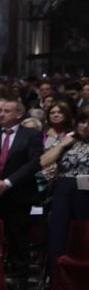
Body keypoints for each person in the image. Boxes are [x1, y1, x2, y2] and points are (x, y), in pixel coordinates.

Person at [0, 98, 44, 290]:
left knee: (18, 238)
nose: (0, 114)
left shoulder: (31, 135)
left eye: (6, 111)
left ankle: (19, 279)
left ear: (19, 114)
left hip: (17, 195)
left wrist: (8, 183)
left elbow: (32, 163)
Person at [42, 107, 89, 279]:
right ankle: (58, 279)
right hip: (63, 190)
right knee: (59, 234)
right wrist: (61, 144)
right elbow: (44, 161)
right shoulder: (68, 140)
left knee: (84, 235)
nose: (85, 126)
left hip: (86, 192)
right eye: (82, 121)